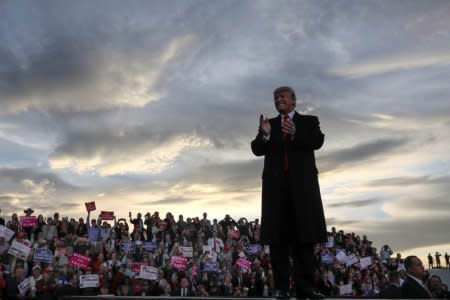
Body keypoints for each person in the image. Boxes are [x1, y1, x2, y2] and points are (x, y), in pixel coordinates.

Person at [251, 86, 327, 299]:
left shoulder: (309, 122)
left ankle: (305, 288)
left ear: (294, 100)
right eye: (275, 97)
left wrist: (296, 134)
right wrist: (264, 136)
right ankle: (281, 288)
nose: (278, 99)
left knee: (305, 241)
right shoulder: (270, 124)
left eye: (282, 96)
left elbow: (317, 142)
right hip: (276, 193)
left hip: (303, 192)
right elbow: (257, 149)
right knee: (278, 242)